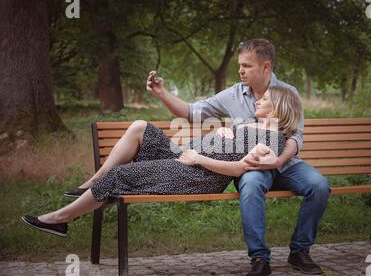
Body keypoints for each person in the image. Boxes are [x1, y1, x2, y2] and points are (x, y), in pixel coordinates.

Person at [144, 38, 330, 276]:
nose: (240, 70)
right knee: (251, 186)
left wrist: (277, 161)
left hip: (285, 164)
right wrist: (162, 93)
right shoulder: (233, 94)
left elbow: (295, 135)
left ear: (266, 67)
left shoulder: (287, 92)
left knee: (319, 185)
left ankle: (299, 251)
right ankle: (260, 260)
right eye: (239, 65)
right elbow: (191, 112)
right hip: (251, 165)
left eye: (247, 66)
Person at [21, 86, 301, 250]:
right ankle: (93, 180)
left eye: (264, 100)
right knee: (141, 127)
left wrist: (198, 159)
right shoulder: (249, 125)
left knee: (121, 175)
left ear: (276, 109)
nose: (257, 100)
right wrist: (226, 132)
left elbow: (239, 168)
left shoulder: (272, 138)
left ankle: (60, 219)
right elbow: (230, 142)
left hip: (196, 175)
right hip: (181, 156)